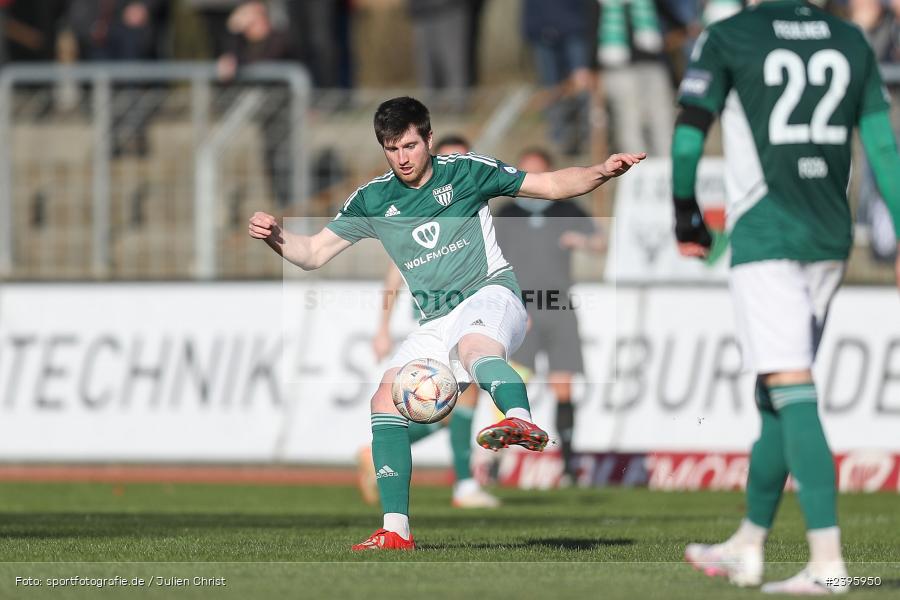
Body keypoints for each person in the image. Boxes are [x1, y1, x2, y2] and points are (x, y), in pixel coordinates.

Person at [249, 96, 644, 550]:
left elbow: (551, 185)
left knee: (475, 350)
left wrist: (602, 171)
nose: (402, 158)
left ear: (429, 139)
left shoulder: (466, 171)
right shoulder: (373, 199)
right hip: (436, 316)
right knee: (384, 397)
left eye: (410, 146)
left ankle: (520, 420)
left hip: (491, 291)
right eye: (391, 149)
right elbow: (314, 253)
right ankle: (396, 531)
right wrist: (279, 238)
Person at [671, 0, 900, 593]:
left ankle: (827, 566)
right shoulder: (850, 38)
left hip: (767, 230)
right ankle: (749, 543)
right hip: (830, 234)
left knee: (791, 388)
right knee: (776, 390)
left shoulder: (730, 34)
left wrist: (685, 214)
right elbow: (882, 148)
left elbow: (690, 134)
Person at [362, 134, 501, 509]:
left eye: (465, 159)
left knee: (446, 406)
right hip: (437, 318)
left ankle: (390, 451)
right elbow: (392, 278)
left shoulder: (470, 209)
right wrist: (382, 329)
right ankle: (465, 486)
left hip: (467, 312)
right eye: (452, 160)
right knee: (457, 399)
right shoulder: (413, 214)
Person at [494, 148, 605, 486]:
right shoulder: (506, 212)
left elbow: (600, 240)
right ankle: (495, 462)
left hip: (557, 305)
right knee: (511, 383)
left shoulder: (567, 207)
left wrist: (583, 241)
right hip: (519, 309)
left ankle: (569, 464)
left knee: (563, 385)